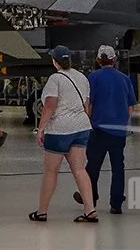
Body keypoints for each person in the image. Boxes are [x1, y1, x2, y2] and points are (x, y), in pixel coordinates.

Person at [30, 46, 97, 223]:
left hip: (60, 129)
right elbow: (87, 104)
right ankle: (90, 210)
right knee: (80, 169)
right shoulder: (81, 77)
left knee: (51, 172)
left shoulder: (55, 79)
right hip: (81, 127)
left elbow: (50, 105)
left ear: (54, 61)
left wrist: (41, 128)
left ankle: (42, 212)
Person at [75, 45, 137, 215]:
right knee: (118, 167)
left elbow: (90, 104)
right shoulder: (125, 79)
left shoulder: (93, 78)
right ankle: (116, 203)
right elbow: (131, 107)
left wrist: (87, 121)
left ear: (98, 60)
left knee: (93, 166)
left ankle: (90, 198)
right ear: (114, 59)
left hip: (99, 130)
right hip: (118, 131)